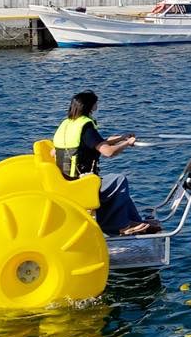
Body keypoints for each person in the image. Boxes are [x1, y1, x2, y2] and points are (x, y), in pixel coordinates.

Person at [52, 90, 160, 236]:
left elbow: (86, 144)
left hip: (66, 181)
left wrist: (120, 138)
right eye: (96, 102)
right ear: (90, 106)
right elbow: (108, 152)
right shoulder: (86, 127)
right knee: (119, 180)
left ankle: (137, 222)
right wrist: (127, 143)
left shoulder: (67, 125)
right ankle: (120, 226)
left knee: (117, 188)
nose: (97, 105)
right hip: (81, 183)